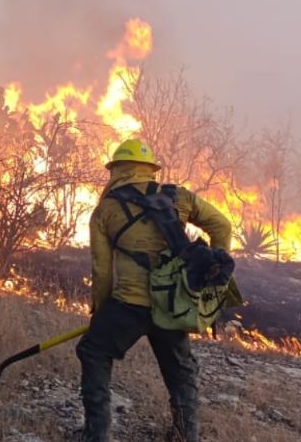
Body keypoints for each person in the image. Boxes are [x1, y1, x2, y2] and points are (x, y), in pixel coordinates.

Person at [77, 139, 233, 442]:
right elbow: (222, 226)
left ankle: (97, 435)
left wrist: (102, 312)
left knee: (93, 351)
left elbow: (102, 270)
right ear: (150, 169)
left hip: (128, 305)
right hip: (172, 302)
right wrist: (210, 275)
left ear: (116, 170)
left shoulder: (106, 210)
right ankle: (186, 435)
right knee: (181, 369)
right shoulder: (178, 198)